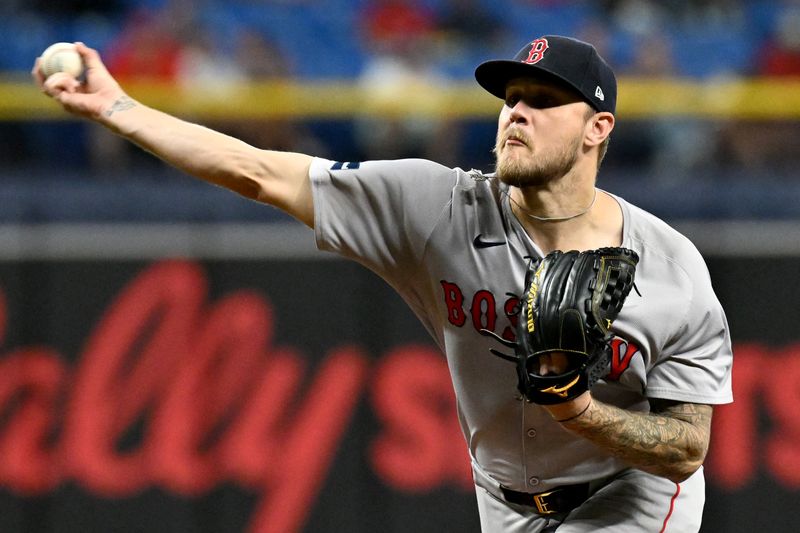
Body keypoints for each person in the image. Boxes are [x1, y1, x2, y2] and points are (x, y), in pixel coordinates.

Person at [34, 35, 733, 532]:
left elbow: (686, 448)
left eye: (544, 100)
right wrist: (118, 110)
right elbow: (258, 170)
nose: (516, 112)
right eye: (511, 96)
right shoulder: (436, 207)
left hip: (630, 496)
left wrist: (578, 410)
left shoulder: (669, 268)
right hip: (505, 497)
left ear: (597, 129)